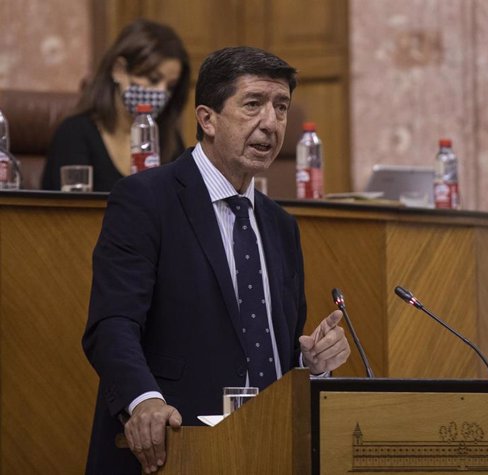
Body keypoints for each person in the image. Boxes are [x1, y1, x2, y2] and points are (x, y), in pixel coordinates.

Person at [82, 46, 351, 474]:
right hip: (174, 446)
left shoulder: (281, 225)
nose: (271, 122)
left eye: (281, 107)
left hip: (267, 448)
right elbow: (112, 325)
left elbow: (270, 348)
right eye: (253, 105)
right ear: (207, 119)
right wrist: (144, 400)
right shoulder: (147, 199)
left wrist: (310, 363)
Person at [42, 19, 191, 192]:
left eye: (170, 86)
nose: (161, 92)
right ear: (119, 71)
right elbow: (65, 214)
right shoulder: (74, 133)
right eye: (153, 79)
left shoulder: (169, 139)